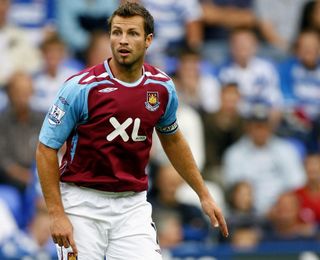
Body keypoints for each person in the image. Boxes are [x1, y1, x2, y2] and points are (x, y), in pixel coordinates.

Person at [35, 2, 228, 260]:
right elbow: (46, 148)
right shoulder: (80, 87)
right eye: (117, 32)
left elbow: (172, 139)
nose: (123, 40)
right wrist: (57, 213)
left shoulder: (161, 88)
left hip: (131, 205)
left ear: (148, 40)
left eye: (132, 33)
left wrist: (203, 194)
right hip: (82, 204)